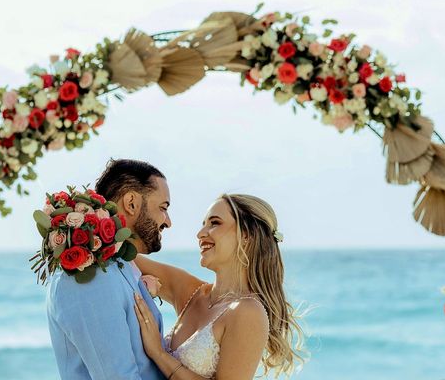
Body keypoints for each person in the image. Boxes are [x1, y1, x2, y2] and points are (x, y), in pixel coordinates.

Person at [133, 193, 305, 379]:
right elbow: (125, 256)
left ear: (246, 235)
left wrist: (159, 354)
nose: (200, 234)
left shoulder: (248, 312)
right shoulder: (192, 293)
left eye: (214, 223)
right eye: (203, 224)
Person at [46, 159, 172, 380]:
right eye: (163, 208)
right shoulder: (89, 277)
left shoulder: (120, 267)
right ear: (131, 202)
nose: (168, 222)